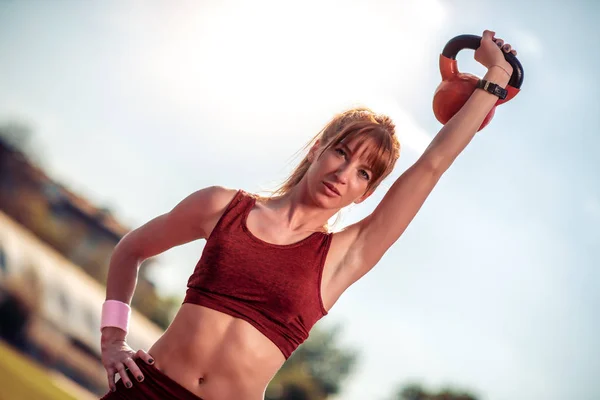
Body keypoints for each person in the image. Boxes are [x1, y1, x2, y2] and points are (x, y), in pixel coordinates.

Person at [99, 30, 519, 400]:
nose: (343, 173)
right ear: (319, 148)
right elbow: (131, 249)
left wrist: (495, 77)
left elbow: (432, 165)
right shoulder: (222, 207)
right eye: (341, 152)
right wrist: (113, 340)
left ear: (366, 193)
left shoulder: (343, 257)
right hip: (145, 393)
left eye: (363, 172)